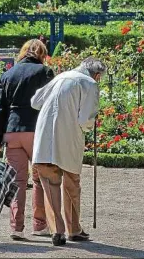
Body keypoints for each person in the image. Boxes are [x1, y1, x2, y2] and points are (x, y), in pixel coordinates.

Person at [31, 57, 106, 246]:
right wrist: (90, 125)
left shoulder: (61, 77)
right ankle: (74, 229)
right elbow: (85, 120)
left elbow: (35, 101)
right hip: (68, 138)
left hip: (44, 138)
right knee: (72, 184)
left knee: (49, 184)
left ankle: (57, 230)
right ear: (97, 75)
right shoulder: (89, 83)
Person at [0, 39, 55, 240]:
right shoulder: (44, 72)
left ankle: (16, 228)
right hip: (36, 130)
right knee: (39, 179)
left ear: (23, 52)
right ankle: (39, 224)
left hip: (12, 132)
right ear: (41, 54)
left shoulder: (8, 74)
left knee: (18, 182)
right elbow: (51, 103)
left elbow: (0, 109)